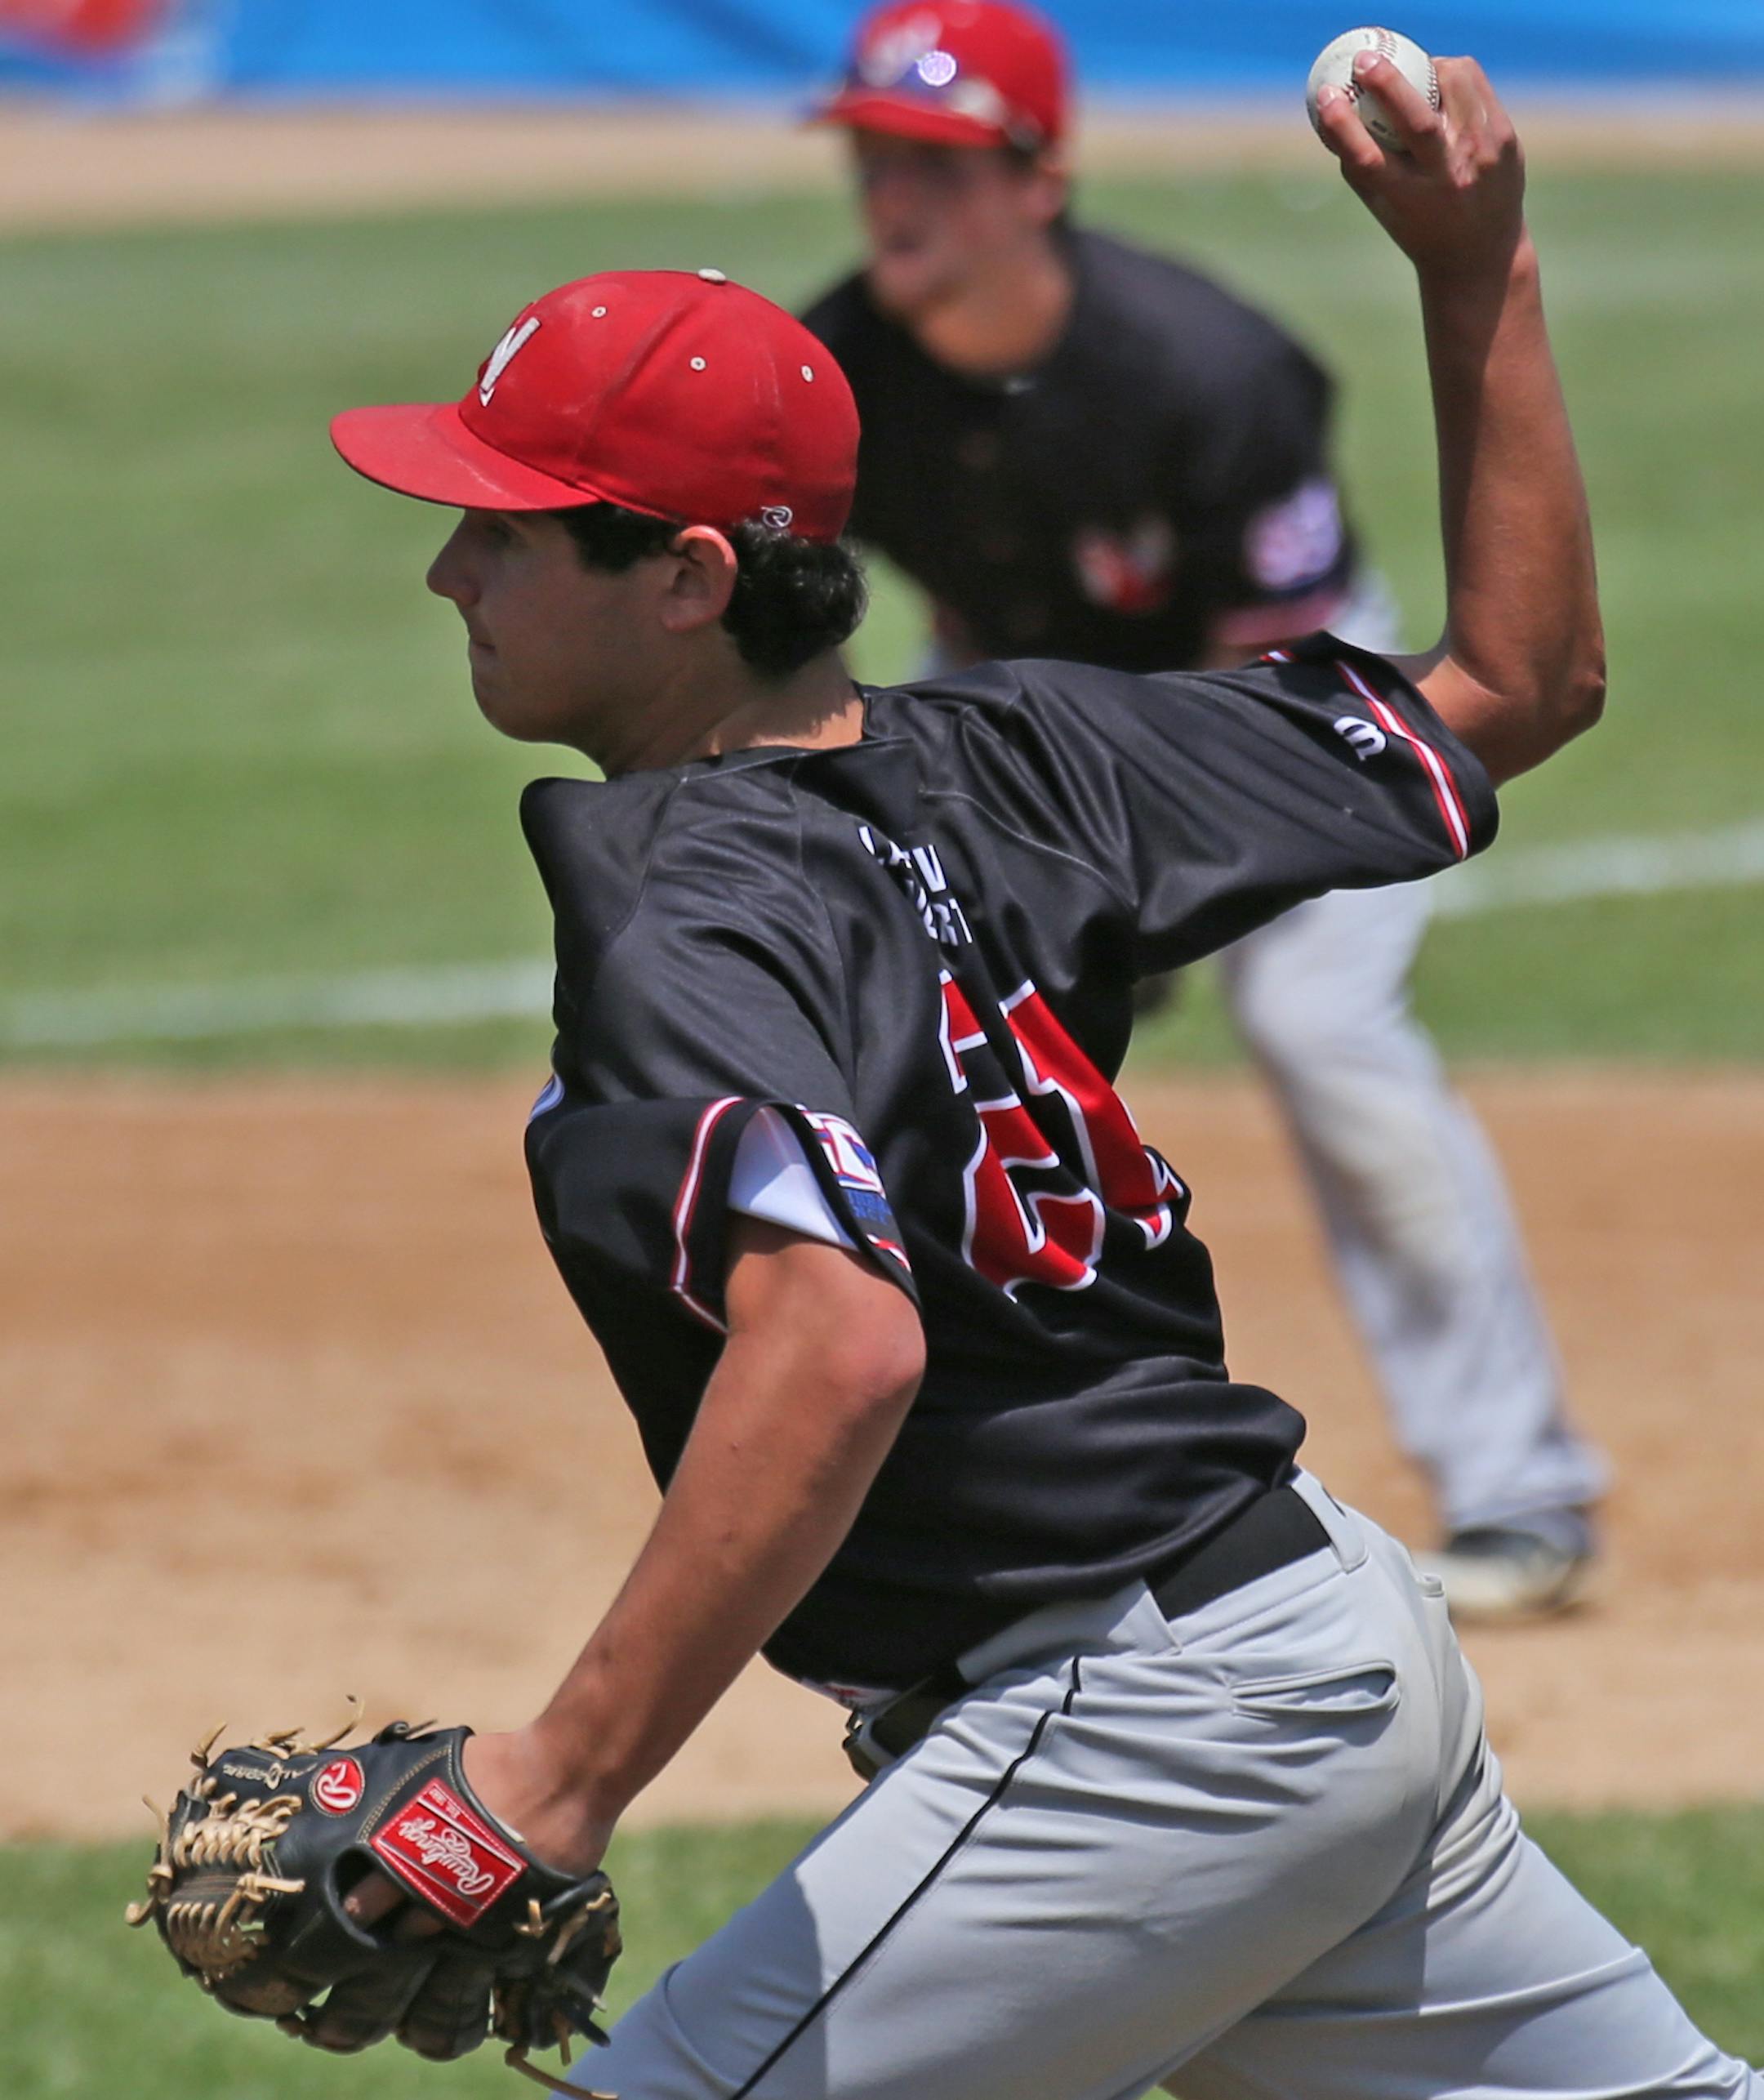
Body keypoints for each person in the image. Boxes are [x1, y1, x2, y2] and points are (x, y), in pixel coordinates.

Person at [326, 56, 1757, 2100]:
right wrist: (1480, 272)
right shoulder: (1018, 751)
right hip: (1325, 1644)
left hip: (1138, 1730)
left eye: (513, 528)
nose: (454, 573)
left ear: (691, 579)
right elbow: (1520, 685)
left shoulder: (673, 891)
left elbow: (833, 1343)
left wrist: (553, 1777)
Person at [800, 0, 1606, 1620]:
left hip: (1286, 691)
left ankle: (1522, 1486)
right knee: (907, 1051)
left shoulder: (1206, 370)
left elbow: (1273, 715)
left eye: (941, 162)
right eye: (878, 155)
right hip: (1031, 716)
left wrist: (1142, 897)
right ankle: (943, 1496)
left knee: (1317, 1017)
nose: (897, 193)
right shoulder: (846, 368)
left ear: (1042, 180)